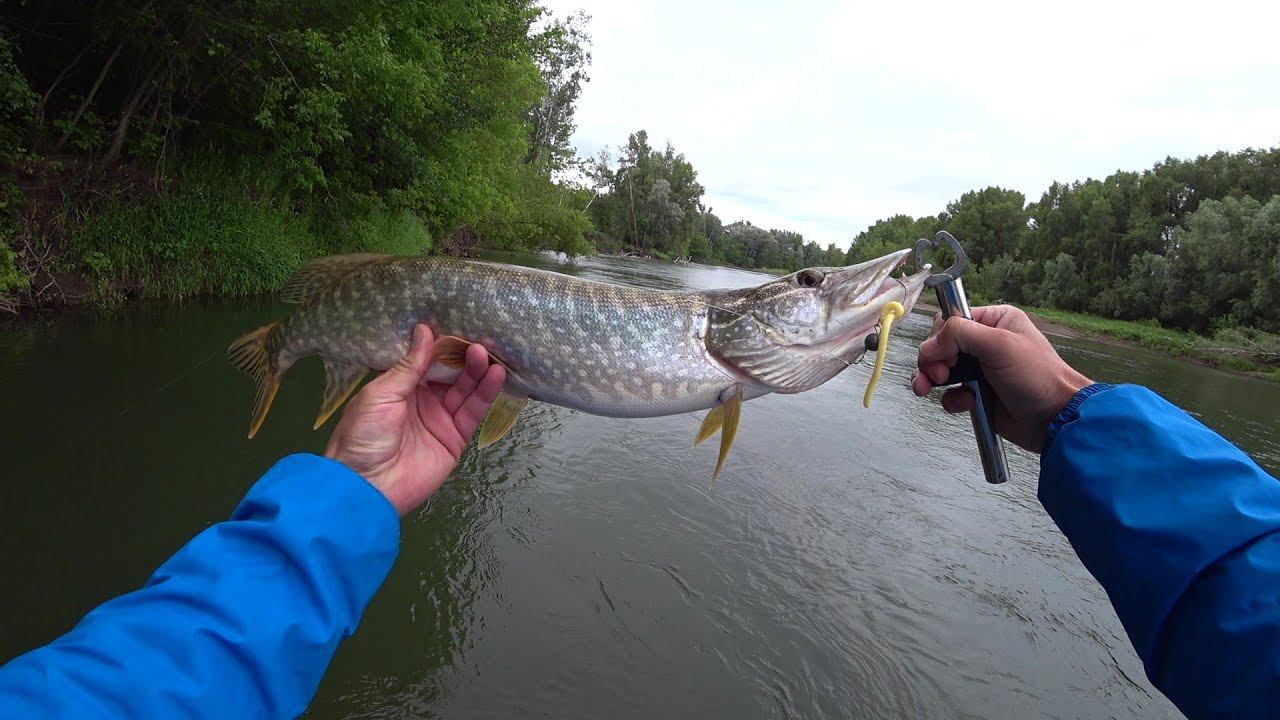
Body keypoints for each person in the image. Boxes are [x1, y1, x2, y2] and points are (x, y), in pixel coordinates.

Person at [1, 308, 1276, 719]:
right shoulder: (725, 340)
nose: (848, 306)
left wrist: (357, 489)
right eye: (817, 295)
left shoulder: (731, 356)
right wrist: (1069, 412)